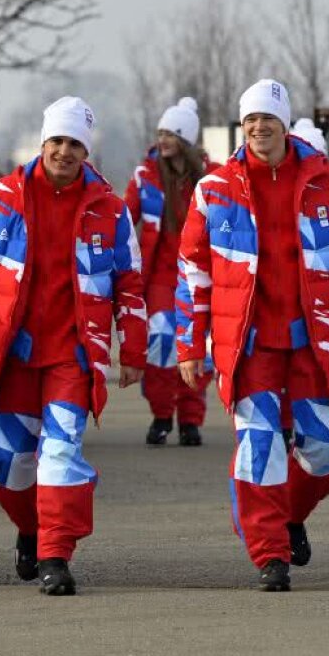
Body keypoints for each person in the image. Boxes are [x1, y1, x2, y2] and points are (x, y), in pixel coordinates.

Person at [176, 78, 329, 592]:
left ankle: (282, 515)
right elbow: (192, 273)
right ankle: (270, 554)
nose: (259, 127)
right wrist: (188, 345)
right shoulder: (214, 189)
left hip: (317, 343)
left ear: (285, 125)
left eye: (268, 118)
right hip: (250, 348)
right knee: (259, 448)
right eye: (251, 120)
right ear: (242, 128)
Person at [0, 95, 146, 596]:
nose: (64, 151)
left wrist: (134, 351)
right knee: (9, 468)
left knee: (60, 457)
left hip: (72, 357)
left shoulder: (110, 210)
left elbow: (130, 284)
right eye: (56, 141)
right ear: (42, 144)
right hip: (9, 356)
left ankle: (56, 555)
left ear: (86, 151)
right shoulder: (0, 198)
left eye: (74, 143)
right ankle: (32, 530)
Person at [124, 96, 220, 446]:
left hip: (200, 277)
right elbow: (122, 220)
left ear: (186, 140)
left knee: (199, 349)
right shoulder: (145, 177)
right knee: (162, 345)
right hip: (160, 280)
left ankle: (191, 420)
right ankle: (162, 414)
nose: (162, 139)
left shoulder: (212, 179)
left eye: (171, 133)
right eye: (161, 132)